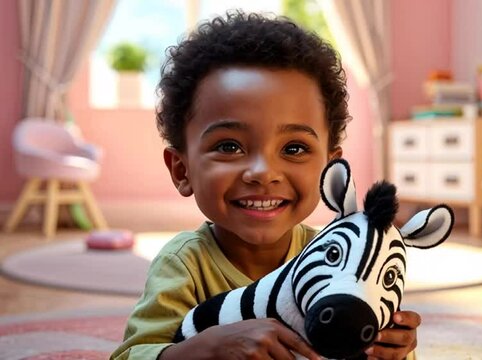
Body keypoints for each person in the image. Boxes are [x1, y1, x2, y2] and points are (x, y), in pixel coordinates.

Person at [111, 11, 420, 360]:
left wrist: (393, 350)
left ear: (331, 169)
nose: (263, 172)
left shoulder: (340, 256)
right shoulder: (184, 265)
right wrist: (207, 347)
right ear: (182, 170)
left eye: (294, 148)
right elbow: (132, 355)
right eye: (229, 146)